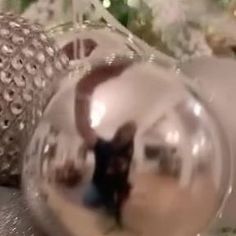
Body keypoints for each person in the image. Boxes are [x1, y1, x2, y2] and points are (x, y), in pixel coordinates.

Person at [75, 59, 136, 228]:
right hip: (100, 185)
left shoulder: (129, 150)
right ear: (119, 132)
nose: (128, 135)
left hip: (117, 187)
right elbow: (84, 130)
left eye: (131, 133)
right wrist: (84, 89)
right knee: (88, 201)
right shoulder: (104, 146)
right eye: (126, 131)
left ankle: (112, 205)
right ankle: (105, 201)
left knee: (115, 212)